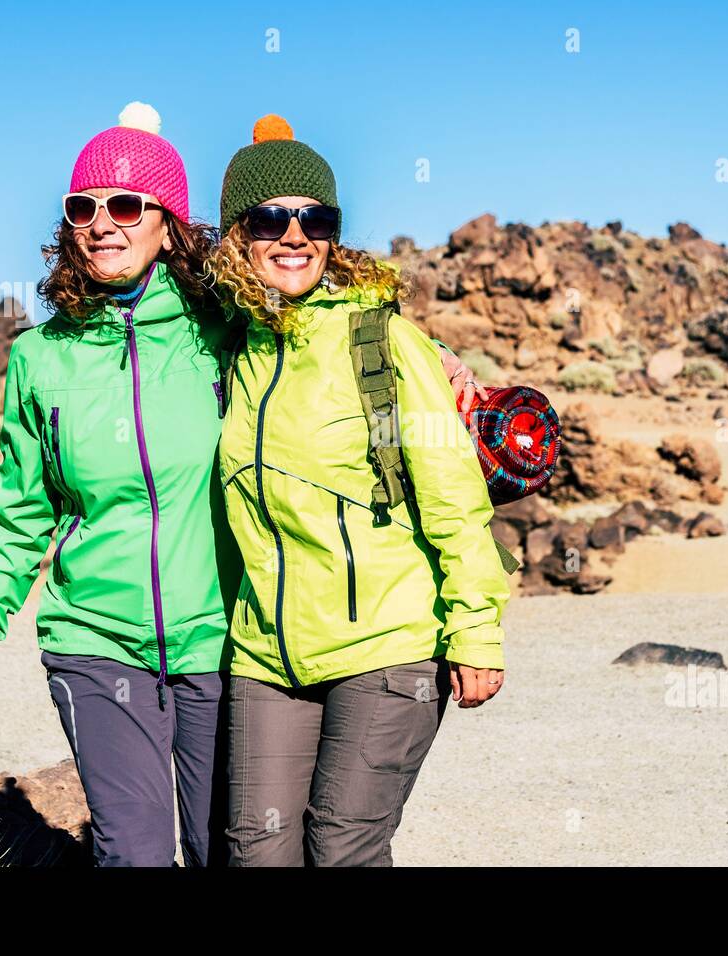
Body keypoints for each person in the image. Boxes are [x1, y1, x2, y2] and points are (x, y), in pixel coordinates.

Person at [0, 104, 486, 867]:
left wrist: (442, 358)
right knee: (135, 855)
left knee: (226, 849)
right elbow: (21, 511)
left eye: (127, 205)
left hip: (218, 640)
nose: (103, 223)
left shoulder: (217, 326)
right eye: (83, 207)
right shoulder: (40, 357)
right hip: (94, 640)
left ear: (168, 225)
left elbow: (321, 330)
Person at [209, 115, 510, 867]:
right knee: (256, 849)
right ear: (236, 234)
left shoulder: (383, 342)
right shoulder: (223, 345)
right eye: (270, 218)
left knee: (342, 846)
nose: (294, 235)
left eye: (316, 218)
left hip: (389, 641)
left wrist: (477, 629)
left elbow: (453, 498)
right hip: (264, 652)